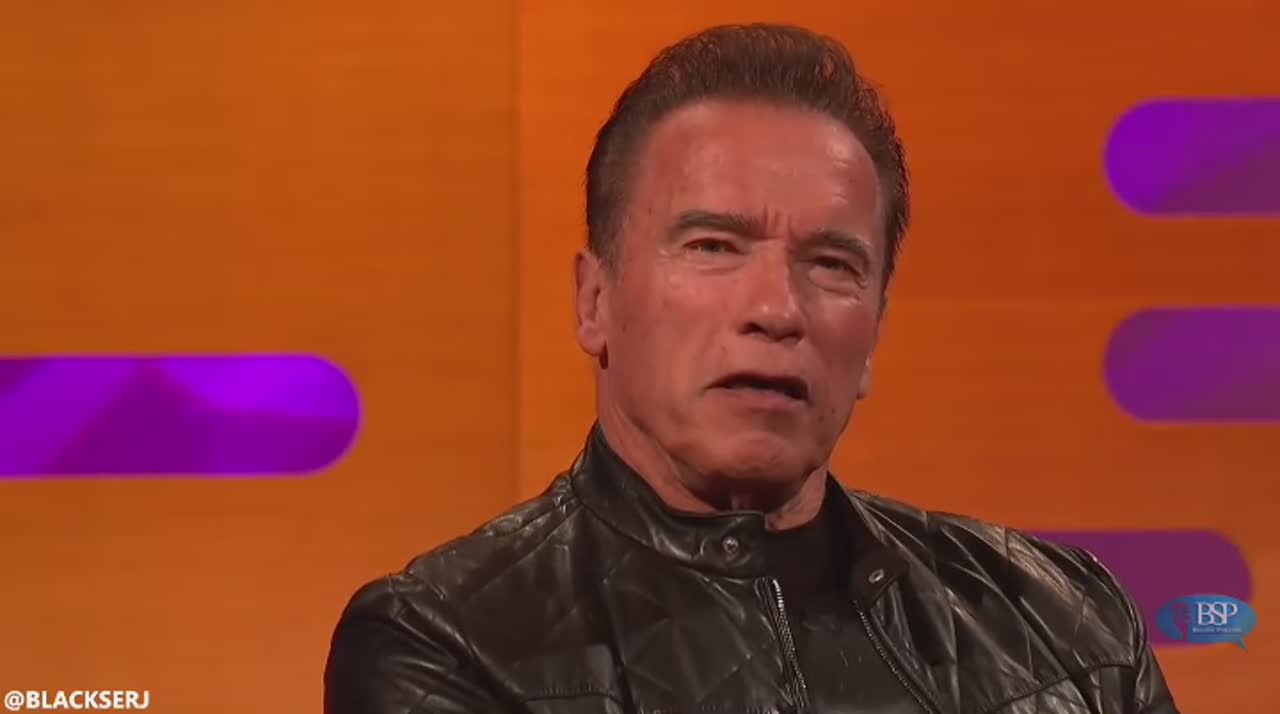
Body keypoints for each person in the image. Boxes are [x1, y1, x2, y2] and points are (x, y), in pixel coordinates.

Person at [324, 23, 1178, 714]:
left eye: (832, 264)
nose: (776, 309)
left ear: (874, 332)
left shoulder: (1067, 625)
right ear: (595, 301)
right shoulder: (448, 643)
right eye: (713, 247)